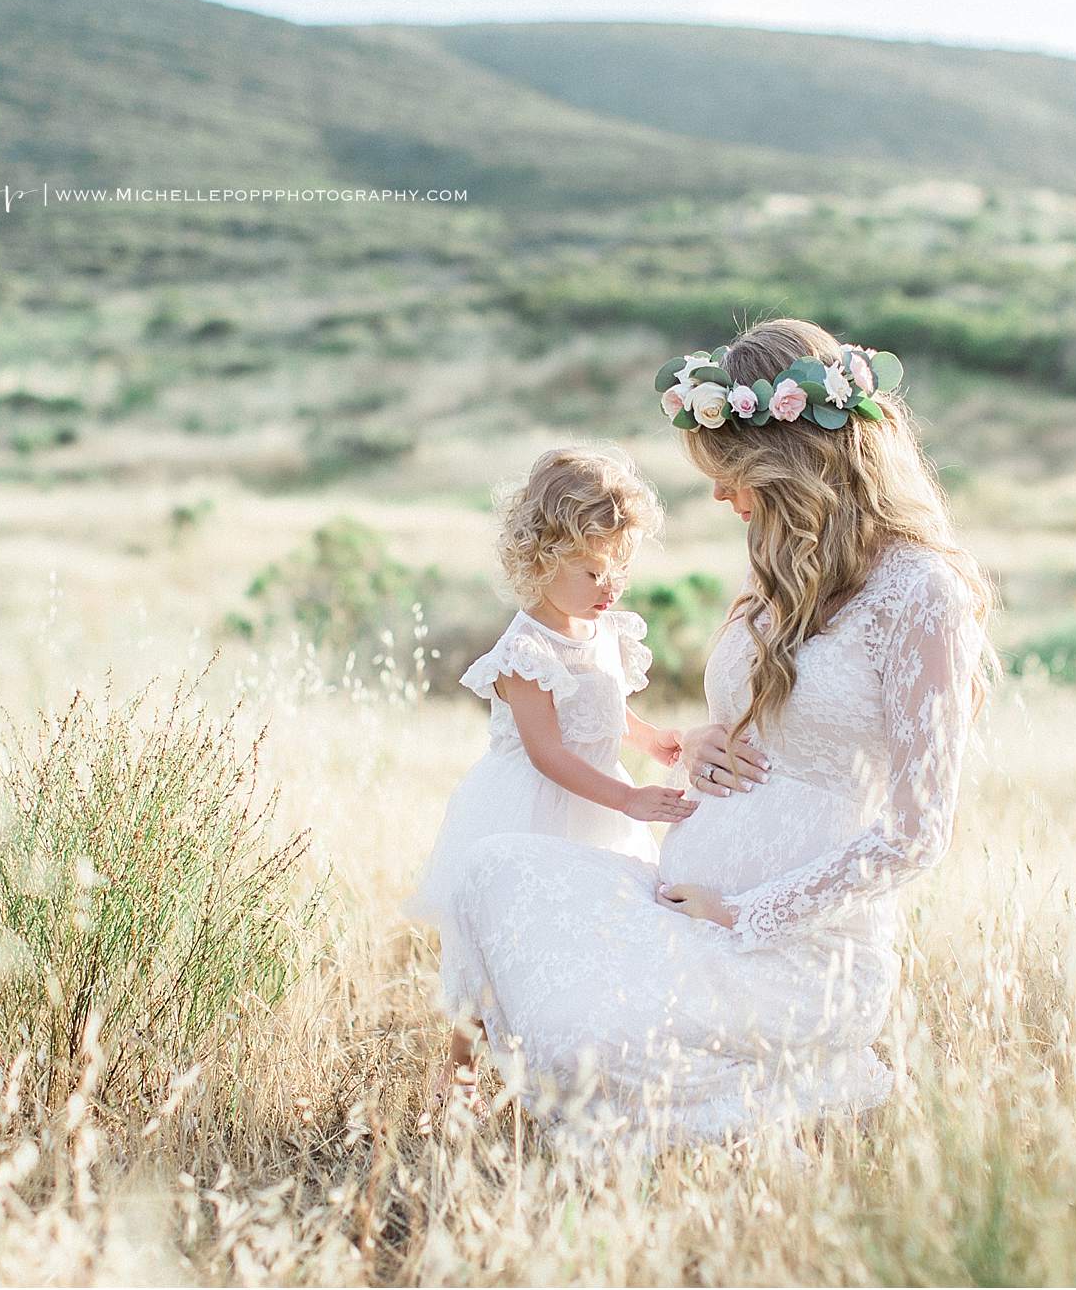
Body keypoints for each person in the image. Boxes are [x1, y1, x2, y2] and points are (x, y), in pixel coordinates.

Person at [440, 318, 1000, 1153]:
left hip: (795, 950)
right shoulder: (782, 563)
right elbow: (773, 724)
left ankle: (791, 1085)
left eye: (732, 472)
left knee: (584, 1040)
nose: (720, 496)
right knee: (492, 872)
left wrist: (745, 912)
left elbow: (918, 835)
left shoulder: (923, 592)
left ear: (795, 463)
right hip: (688, 905)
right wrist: (702, 743)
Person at [402, 445, 696, 1112]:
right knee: (496, 949)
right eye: (591, 570)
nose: (610, 587)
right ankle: (462, 1083)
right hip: (534, 804)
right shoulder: (524, 652)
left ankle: (577, 1068)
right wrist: (630, 797)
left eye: (617, 568)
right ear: (540, 560)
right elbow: (547, 751)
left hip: (597, 801)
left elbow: (601, 704)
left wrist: (648, 737)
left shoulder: (601, 630)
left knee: (594, 931)